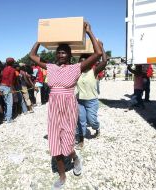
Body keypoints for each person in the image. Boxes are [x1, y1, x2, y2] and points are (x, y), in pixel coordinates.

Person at [30, 22, 102, 189]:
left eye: (64, 52)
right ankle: (62, 176)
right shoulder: (50, 67)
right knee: (55, 145)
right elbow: (32, 55)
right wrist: (41, 38)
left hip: (69, 108)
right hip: (54, 109)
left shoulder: (77, 67)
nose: (61, 54)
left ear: (69, 55)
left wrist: (90, 31)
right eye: (59, 51)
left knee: (68, 144)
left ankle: (75, 158)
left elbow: (98, 53)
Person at [76, 42, 107, 148]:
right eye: (81, 63)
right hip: (79, 101)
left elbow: (104, 61)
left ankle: (97, 128)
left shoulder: (94, 71)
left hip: (92, 101)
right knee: (81, 121)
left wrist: (101, 48)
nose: (83, 64)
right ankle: (81, 139)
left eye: (85, 62)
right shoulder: (76, 72)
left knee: (92, 120)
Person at [0, 58, 16, 123]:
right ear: (12, 63)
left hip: (1, 86)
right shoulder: (12, 69)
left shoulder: (4, 69)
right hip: (7, 87)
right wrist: (12, 89)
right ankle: (9, 119)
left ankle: (6, 117)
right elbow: (10, 80)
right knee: (9, 104)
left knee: (5, 103)